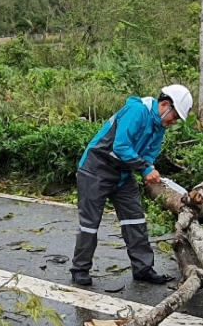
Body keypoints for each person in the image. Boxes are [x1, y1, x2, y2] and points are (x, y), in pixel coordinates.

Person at [70, 84, 193, 287]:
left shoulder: (159, 127)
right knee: (89, 224)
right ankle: (80, 269)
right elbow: (121, 145)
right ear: (165, 105)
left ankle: (143, 269)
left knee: (135, 219)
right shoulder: (137, 111)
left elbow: (149, 154)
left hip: (122, 174)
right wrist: (144, 169)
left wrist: (149, 169)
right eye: (175, 116)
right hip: (95, 170)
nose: (174, 122)